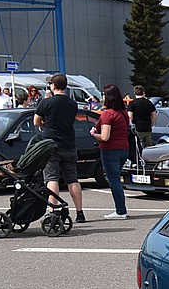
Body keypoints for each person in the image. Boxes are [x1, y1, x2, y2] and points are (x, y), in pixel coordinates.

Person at [34, 73, 84, 223]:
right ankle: (80, 212)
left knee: (52, 178)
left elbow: (36, 121)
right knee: (72, 179)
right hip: (69, 144)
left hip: (51, 145)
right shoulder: (72, 103)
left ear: (54, 86)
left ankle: (52, 210)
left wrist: (44, 123)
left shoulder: (46, 102)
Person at [92, 84, 131, 219]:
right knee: (116, 178)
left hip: (110, 149)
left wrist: (94, 134)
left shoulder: (108, 114)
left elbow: (105, 137)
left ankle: (120, 210)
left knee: (113, 180)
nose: (102, 97)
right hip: (124, 148)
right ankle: (121, 209)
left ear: (108, 97)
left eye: (103, 94)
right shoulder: (123, 113)